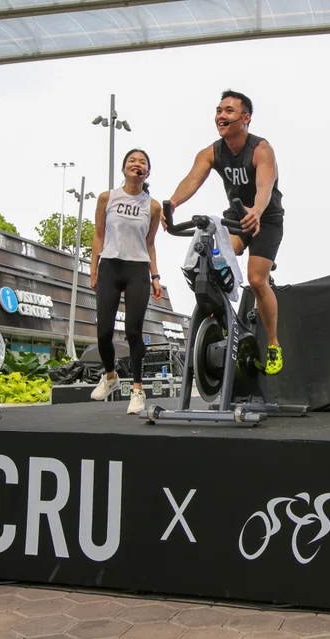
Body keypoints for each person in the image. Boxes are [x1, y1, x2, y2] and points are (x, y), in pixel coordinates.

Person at [163, 89, 285, 375]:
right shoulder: (211, 152)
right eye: (219, 111)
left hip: (265, 217)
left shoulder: (261, 149)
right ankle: (225, 325)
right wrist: (173, 203)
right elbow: (193, 178)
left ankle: (274, 344)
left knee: (256, 280)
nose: (221, 116)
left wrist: (256, 210)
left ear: (246, 118)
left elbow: (266, 185)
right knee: (215, 263)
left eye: (229, 111)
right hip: (236, 214)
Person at [89, 149, 164, 414]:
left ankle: (137, 389)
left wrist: (155, 277)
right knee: (104, 332)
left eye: (142, 161)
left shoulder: (153, 206)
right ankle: (110, 377)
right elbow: (98, 235)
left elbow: (151, 243)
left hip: (137, 269)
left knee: (133, 331)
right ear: (123, 169)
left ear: (147, 172)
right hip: (110, 265)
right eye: (132, 161)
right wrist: (94, 270)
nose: (137, 164)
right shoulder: (107, 198)